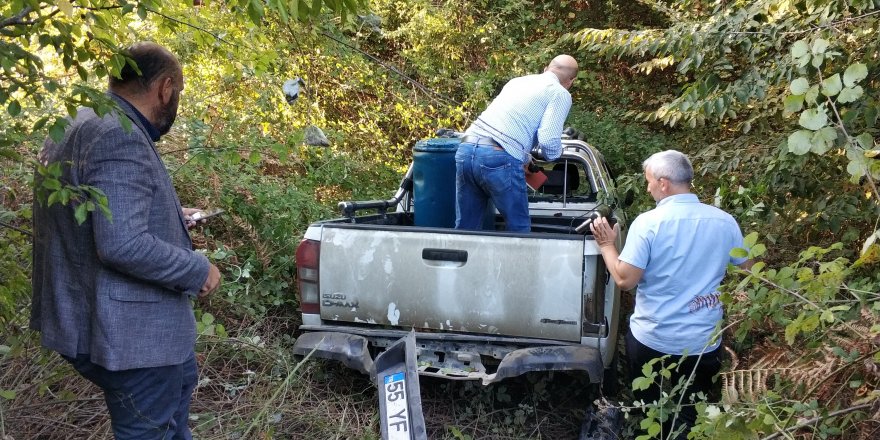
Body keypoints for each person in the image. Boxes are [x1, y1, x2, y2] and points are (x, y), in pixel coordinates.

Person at [31, 41, 221, 439]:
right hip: (131, 339)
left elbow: (87, 210)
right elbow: (122, 244)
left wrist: (167, 213)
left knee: (174, 406)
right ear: (165, 88)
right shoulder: (122, 136)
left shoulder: (77, 120)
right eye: (179, 93)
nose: (176, 101)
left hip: (84, 319)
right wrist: (197, 268)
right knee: (151, 429)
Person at [589, 150, 752, 438]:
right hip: (703, 341)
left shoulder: (649, 223)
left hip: (652, 338)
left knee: (649, 410)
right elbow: (751, 272)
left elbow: (625, 280)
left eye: (649, 181)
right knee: (693, 413)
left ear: (664, 183)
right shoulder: (725, 222)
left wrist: (606, 245)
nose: (647, 187)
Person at [454, 54, 578, 232]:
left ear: (546, 68)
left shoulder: (517, 82)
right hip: (498, 157)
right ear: (570, 81)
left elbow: (508, 125)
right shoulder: (559, 93)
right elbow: (548, 140)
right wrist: (553, 155)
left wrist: (524, 155)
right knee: (518, 230)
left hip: (465, 149)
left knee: (466, 227)